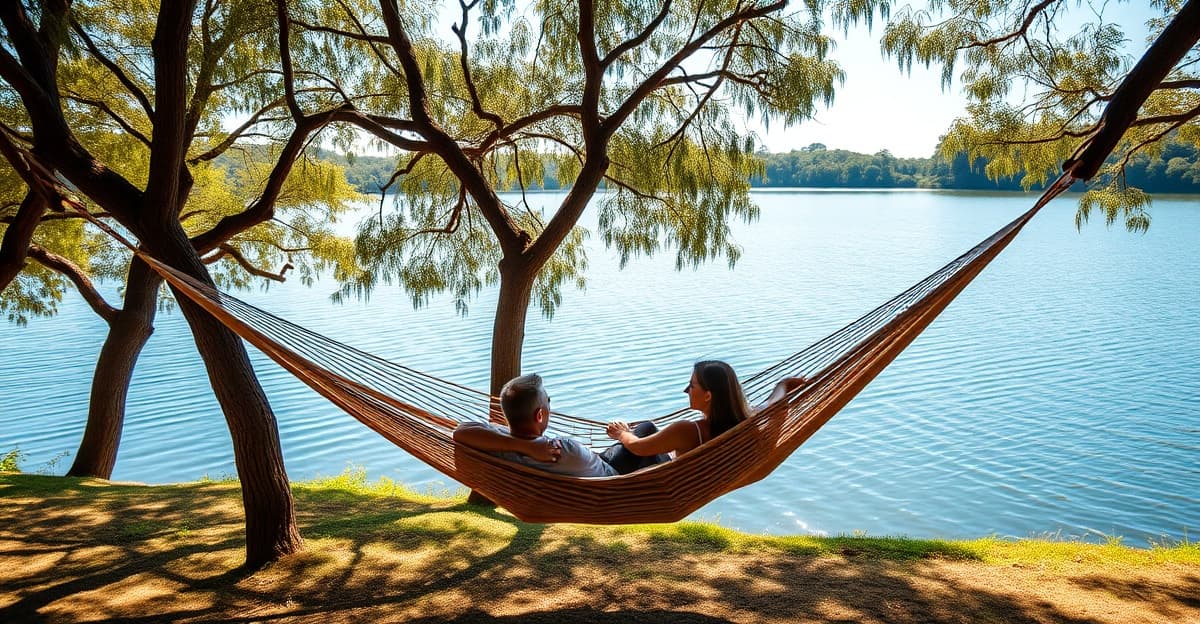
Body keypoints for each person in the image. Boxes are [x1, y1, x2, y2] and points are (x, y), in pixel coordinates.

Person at [453, 373, 669, 477]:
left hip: (590, 466)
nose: (549, 405)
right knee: (647, 429)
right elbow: (597, 465)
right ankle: (671, 473)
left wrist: (524, 446)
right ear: (539, 415)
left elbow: (460, 431)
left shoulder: (496, 445)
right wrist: (623, 434)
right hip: (613, 477)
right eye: (548, 401)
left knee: (638, 435)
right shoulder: (562, 450)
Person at [606, 360, 806, 459]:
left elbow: (639, 448)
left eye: (692, 385)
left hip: (652, 482)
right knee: (647, 427)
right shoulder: (747, 420)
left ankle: (597, 463)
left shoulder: (688, 430)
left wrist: (621, 433)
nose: (686, 390)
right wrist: (783, 384)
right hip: (678, 473)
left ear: (708, 395)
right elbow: (774, 403)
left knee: (644, 429)